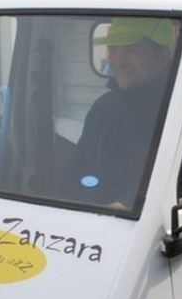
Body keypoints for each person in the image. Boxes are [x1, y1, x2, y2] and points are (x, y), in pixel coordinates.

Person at [72, 17, 175, 209]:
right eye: (113, 49)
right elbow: (78, 168)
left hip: (143, 221)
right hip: (86, 218)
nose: (119, 62)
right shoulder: (104, 106)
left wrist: (127, 204)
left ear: (164, 53)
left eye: (133, 50)